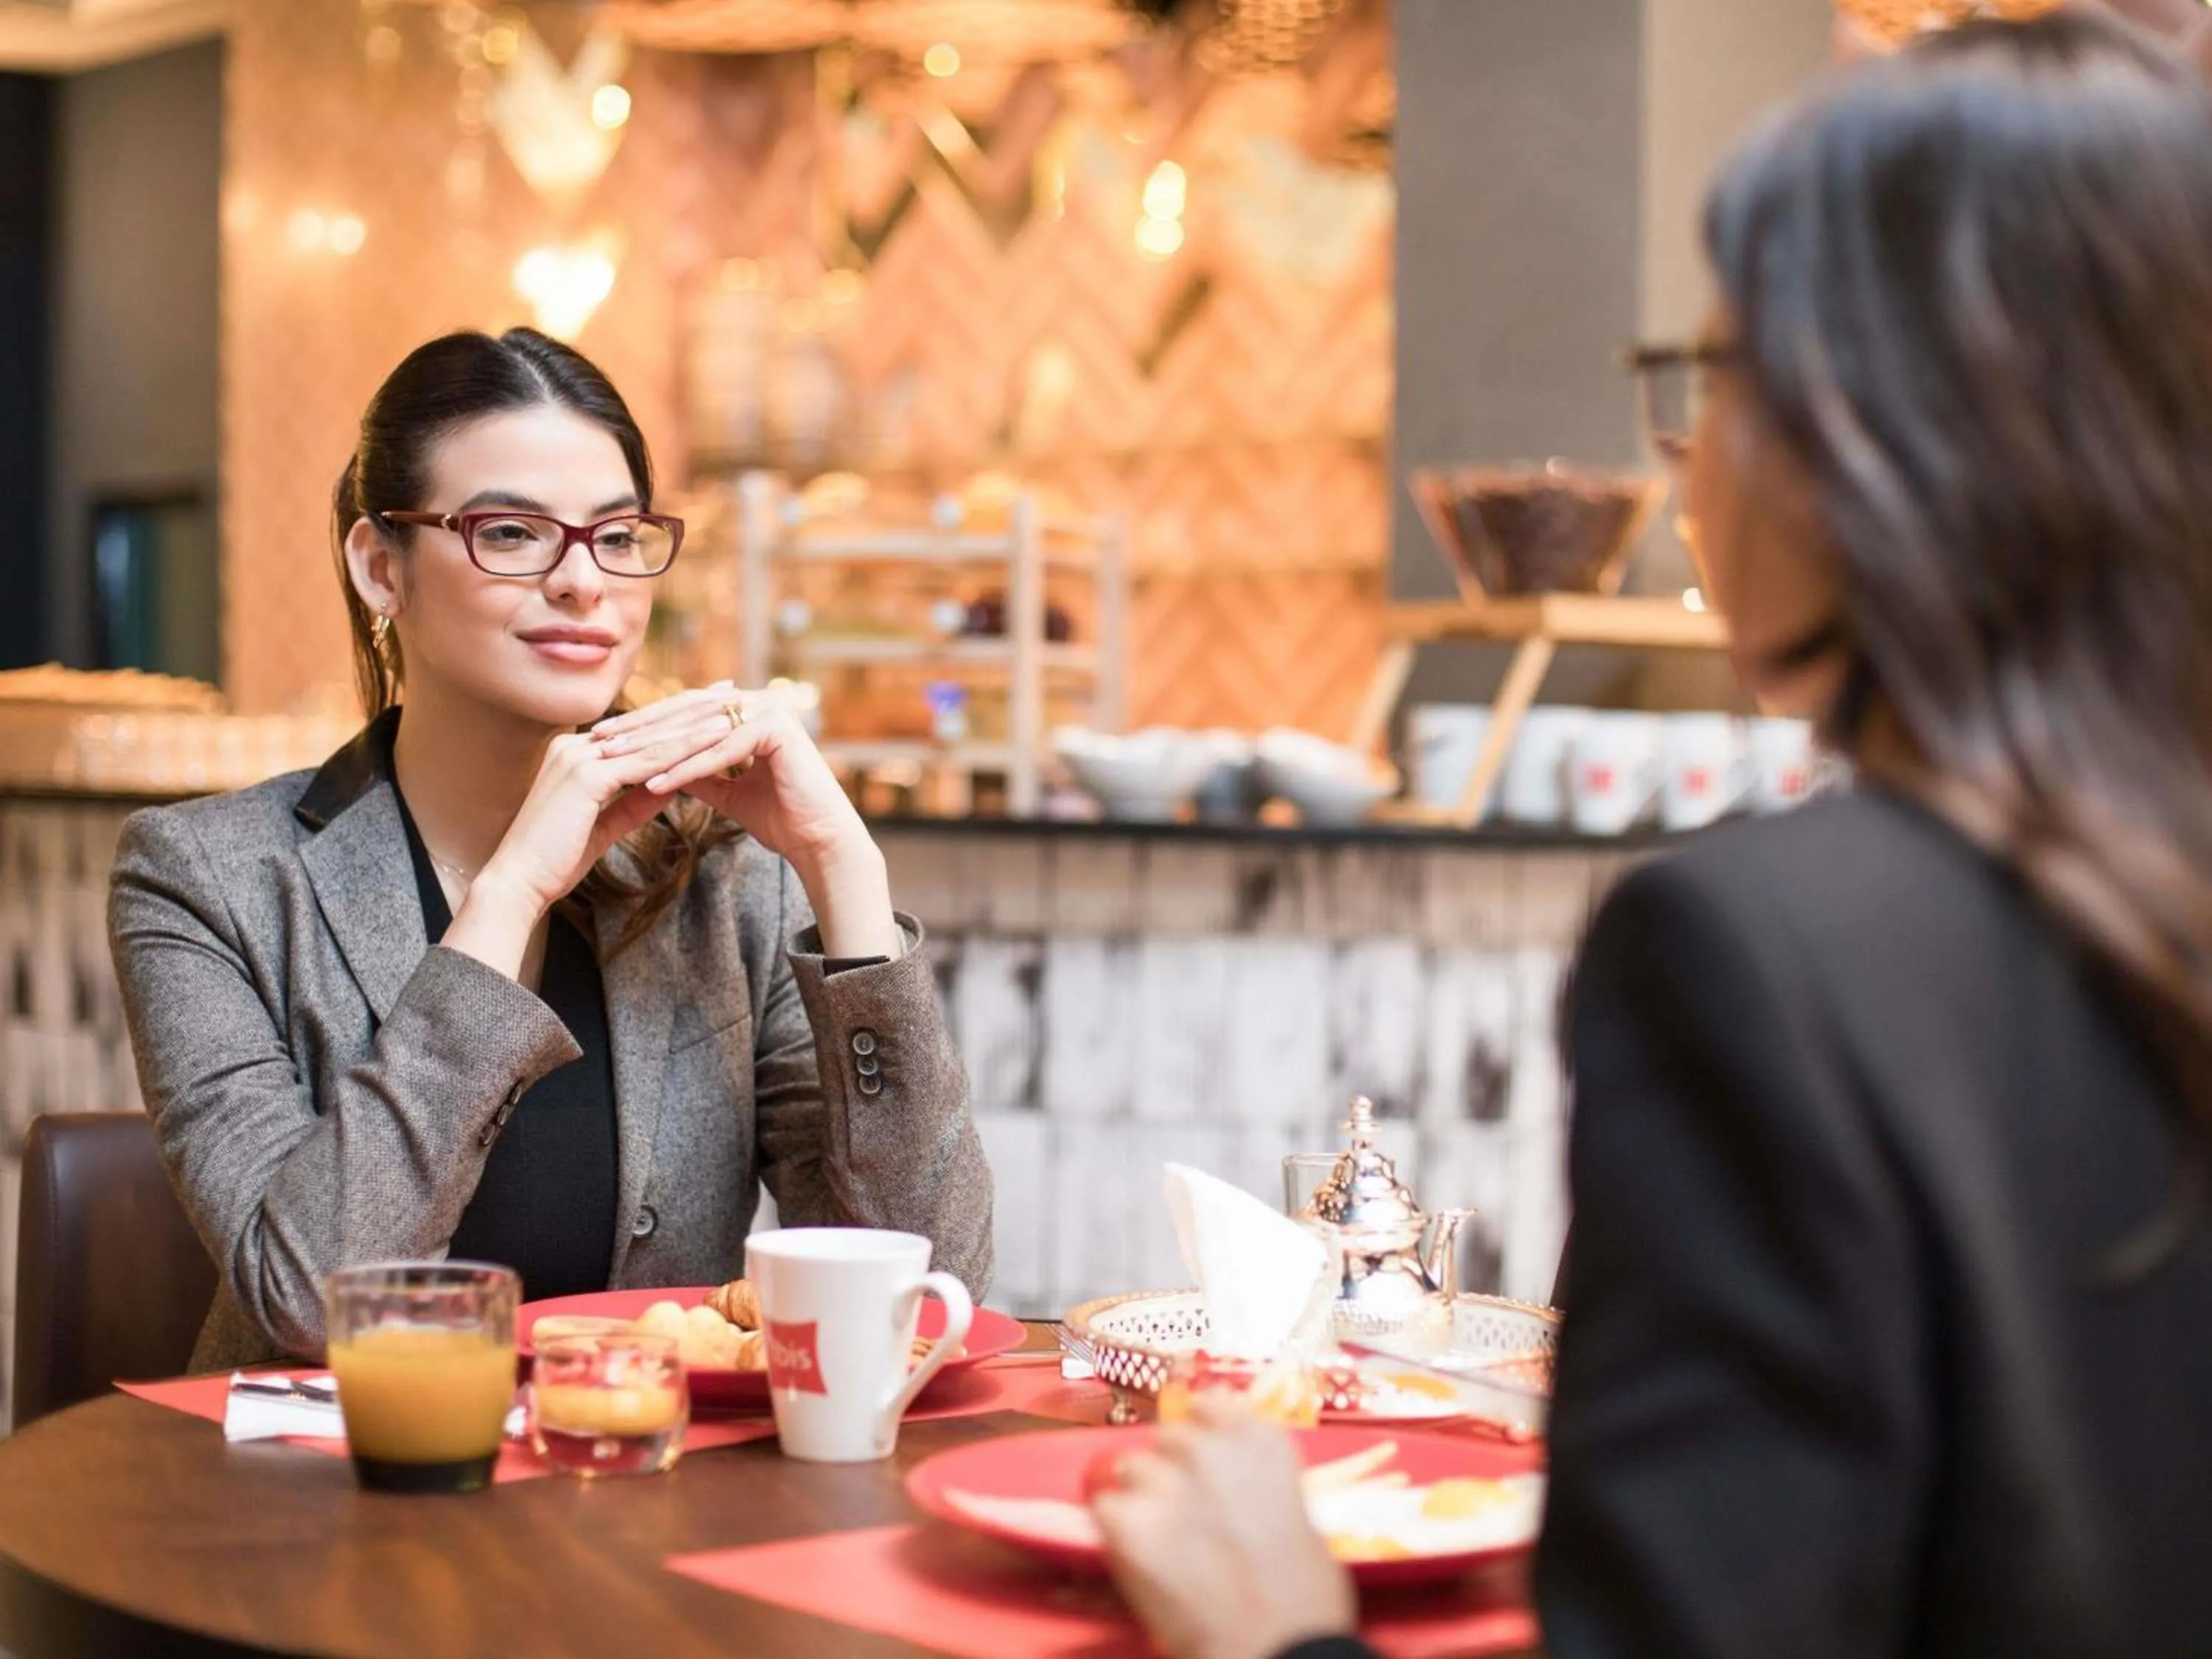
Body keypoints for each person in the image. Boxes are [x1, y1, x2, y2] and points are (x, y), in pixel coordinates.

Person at [1094, 11, 2212, 1658]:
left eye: (1719, 369)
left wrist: (1273, 1630)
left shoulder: (1765, 960)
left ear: (1887, 436)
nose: (1684, 464)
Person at [109, 327, 992, 1368]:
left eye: (617, 538)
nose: (585, 583)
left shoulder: (723, 881)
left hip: (642, 1490)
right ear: (379, 565)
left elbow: (931, 1291)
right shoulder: (205, 879)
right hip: (328, 1506)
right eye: (513, 532)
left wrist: (848, 876)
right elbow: (313, 1303)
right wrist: (512, 891)